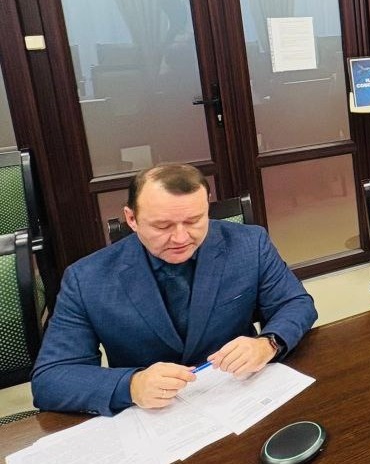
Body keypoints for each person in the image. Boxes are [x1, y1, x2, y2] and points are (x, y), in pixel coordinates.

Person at [31, 164, 318, 416]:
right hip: (151, 414)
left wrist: (267, 343)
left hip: (238, 394)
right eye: (162, 226)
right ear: (131, 219)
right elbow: (51, 378)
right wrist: (131, 385)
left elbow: (295, 303)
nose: (181, 238)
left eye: (194, 221)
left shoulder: (249, 244)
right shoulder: (87, 278)